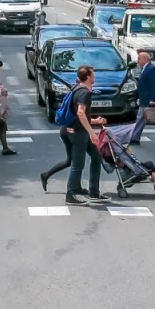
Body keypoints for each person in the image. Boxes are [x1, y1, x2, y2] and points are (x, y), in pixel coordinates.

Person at [62, 65, 109, 206]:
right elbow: (80, 112)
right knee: (78, 164)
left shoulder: (77, 88)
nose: (95, 77)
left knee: (96, 157)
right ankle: (70, 194)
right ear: (88, 77)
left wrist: (93, 121)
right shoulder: (84, 93)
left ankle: (93, 192)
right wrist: (92, 133)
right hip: (79, 133)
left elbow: (80, 114)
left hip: (77, 130)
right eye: (93, 74)